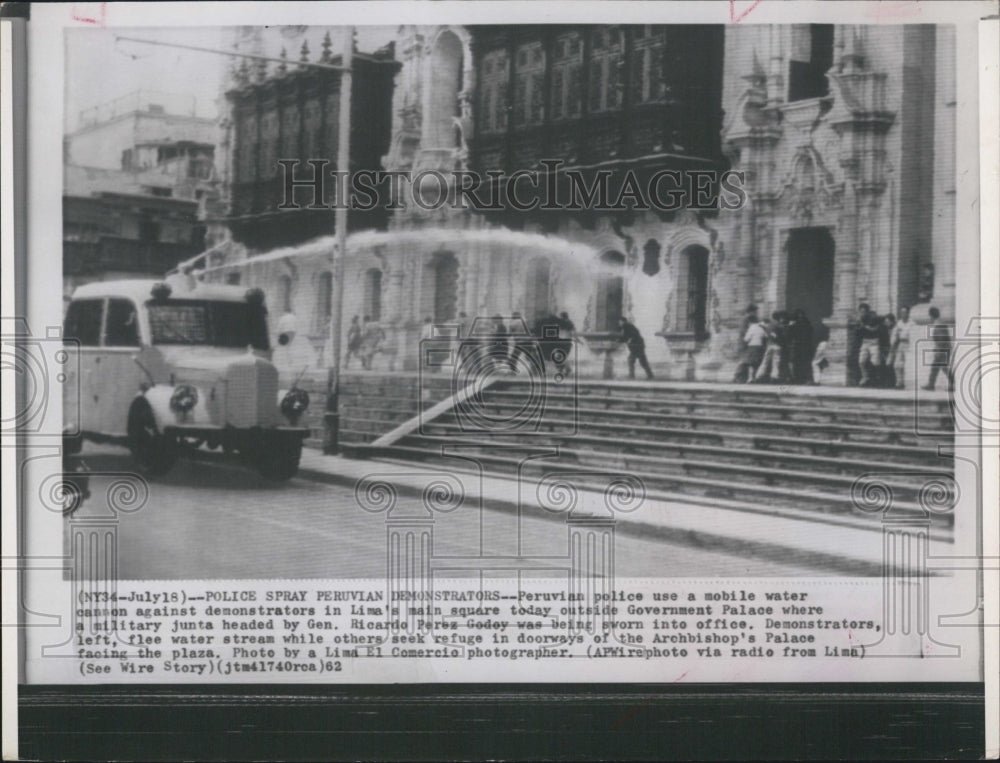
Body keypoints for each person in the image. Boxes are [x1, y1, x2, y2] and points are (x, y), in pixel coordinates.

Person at [272, 311, 318, 382]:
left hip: (302, 380)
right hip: (284, 380)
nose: (289, 335)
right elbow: (276, 365)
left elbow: (312, 360)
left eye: (291, 332)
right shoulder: (279, 346)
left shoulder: (304, 342)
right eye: (286, 332)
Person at [922, 306, 954, 391]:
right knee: (935, 367)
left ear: (931, 316)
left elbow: (941, 339)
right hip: (944, 348)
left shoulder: (938, 325)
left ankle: (952, 383)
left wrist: (939, 351)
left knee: (943, 367)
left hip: (942, 349)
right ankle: (931, 384)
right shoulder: (940, 323)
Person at [733, 316, 768, 383]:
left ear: (750, 322)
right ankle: (754, 378)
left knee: (748, 363)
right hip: (759, 347)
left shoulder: (752, 328)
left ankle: (749, 378)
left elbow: (746, 339)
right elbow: (766, 336)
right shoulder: (761, 328)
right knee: (755, 364)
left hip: (752, 347)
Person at [856, 303, 883, 387]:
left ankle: (877, 378)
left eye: (864, 311)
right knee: (861, 361)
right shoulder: (860, 320)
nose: (862, 313)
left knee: (875, 362)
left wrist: (864, 326)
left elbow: (874, 329)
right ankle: (865, 377)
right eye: (861, 311)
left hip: (874, 342)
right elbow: (858, 332)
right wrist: (859, 326)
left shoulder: (873, 318)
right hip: (865, 342)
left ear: (867, 312)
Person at [788, 308, 814, 384]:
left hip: (798, 346)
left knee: (797, 363)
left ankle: (798, 379)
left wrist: (790, 326)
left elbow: (789, 336)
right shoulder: (808, 324)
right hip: (806, 346)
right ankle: (805, 379)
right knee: (805, 363)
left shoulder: (794, 325)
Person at [890, 306, 913, 389]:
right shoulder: (899, 323)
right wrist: (892, 344)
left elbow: (914, 335)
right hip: (901, 344)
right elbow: (894, 334)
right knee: (897, 364)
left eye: (905, 312)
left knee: (907, 364)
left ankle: (907, 383)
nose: (903, 314)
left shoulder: (912, 323)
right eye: (901, 313)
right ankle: (899, 382)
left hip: (909, 344)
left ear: (908, 313)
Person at [879, 313, 897, 388]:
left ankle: (892, 381)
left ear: (892, 321)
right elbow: (882, 340)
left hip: (894, 349)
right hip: (887, 349)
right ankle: (888, 381)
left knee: (889, 364)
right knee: (887, 364)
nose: (886, 323)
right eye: (885, 322)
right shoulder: (884, 329)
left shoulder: (895, 329)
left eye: (888, 321)